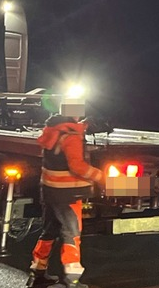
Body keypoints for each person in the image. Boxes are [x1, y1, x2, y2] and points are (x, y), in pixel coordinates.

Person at [26, 112, 104, 288]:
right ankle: (72, 279)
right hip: (68, 194)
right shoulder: (72, 136)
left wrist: (84, 126)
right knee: (71, 234)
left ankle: (37, 272)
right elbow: (77, 165)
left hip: (50, 192)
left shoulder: (52, 131)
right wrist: (100, 176)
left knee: (49, 232)